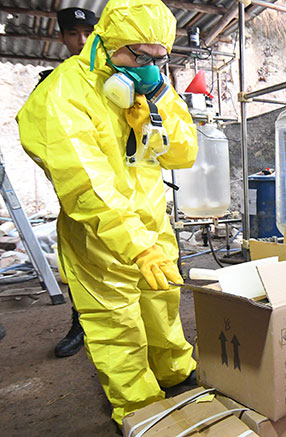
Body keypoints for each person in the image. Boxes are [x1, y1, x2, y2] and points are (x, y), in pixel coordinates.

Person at [17, 0, 198, 426]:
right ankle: (139, 409)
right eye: (140, 56)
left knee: (162, 302)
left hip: (152, 223)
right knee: (116, 323)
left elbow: (185, 152)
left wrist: (156, 103)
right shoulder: (63, 93)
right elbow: (85, 182)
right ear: (110, 41)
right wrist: (135, 245)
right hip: (100, 236)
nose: (150, 65)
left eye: (159, 57)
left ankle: (175, 373)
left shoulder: (147, 84)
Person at [39, 7, 98, 359]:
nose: (82, 41)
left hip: (119, 189)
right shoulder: (50, 83)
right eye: (73, 34)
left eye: (87, 33)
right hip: (76, 190)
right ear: (62, 38)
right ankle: (81, 323)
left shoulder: (115, 78)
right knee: (77, 259)